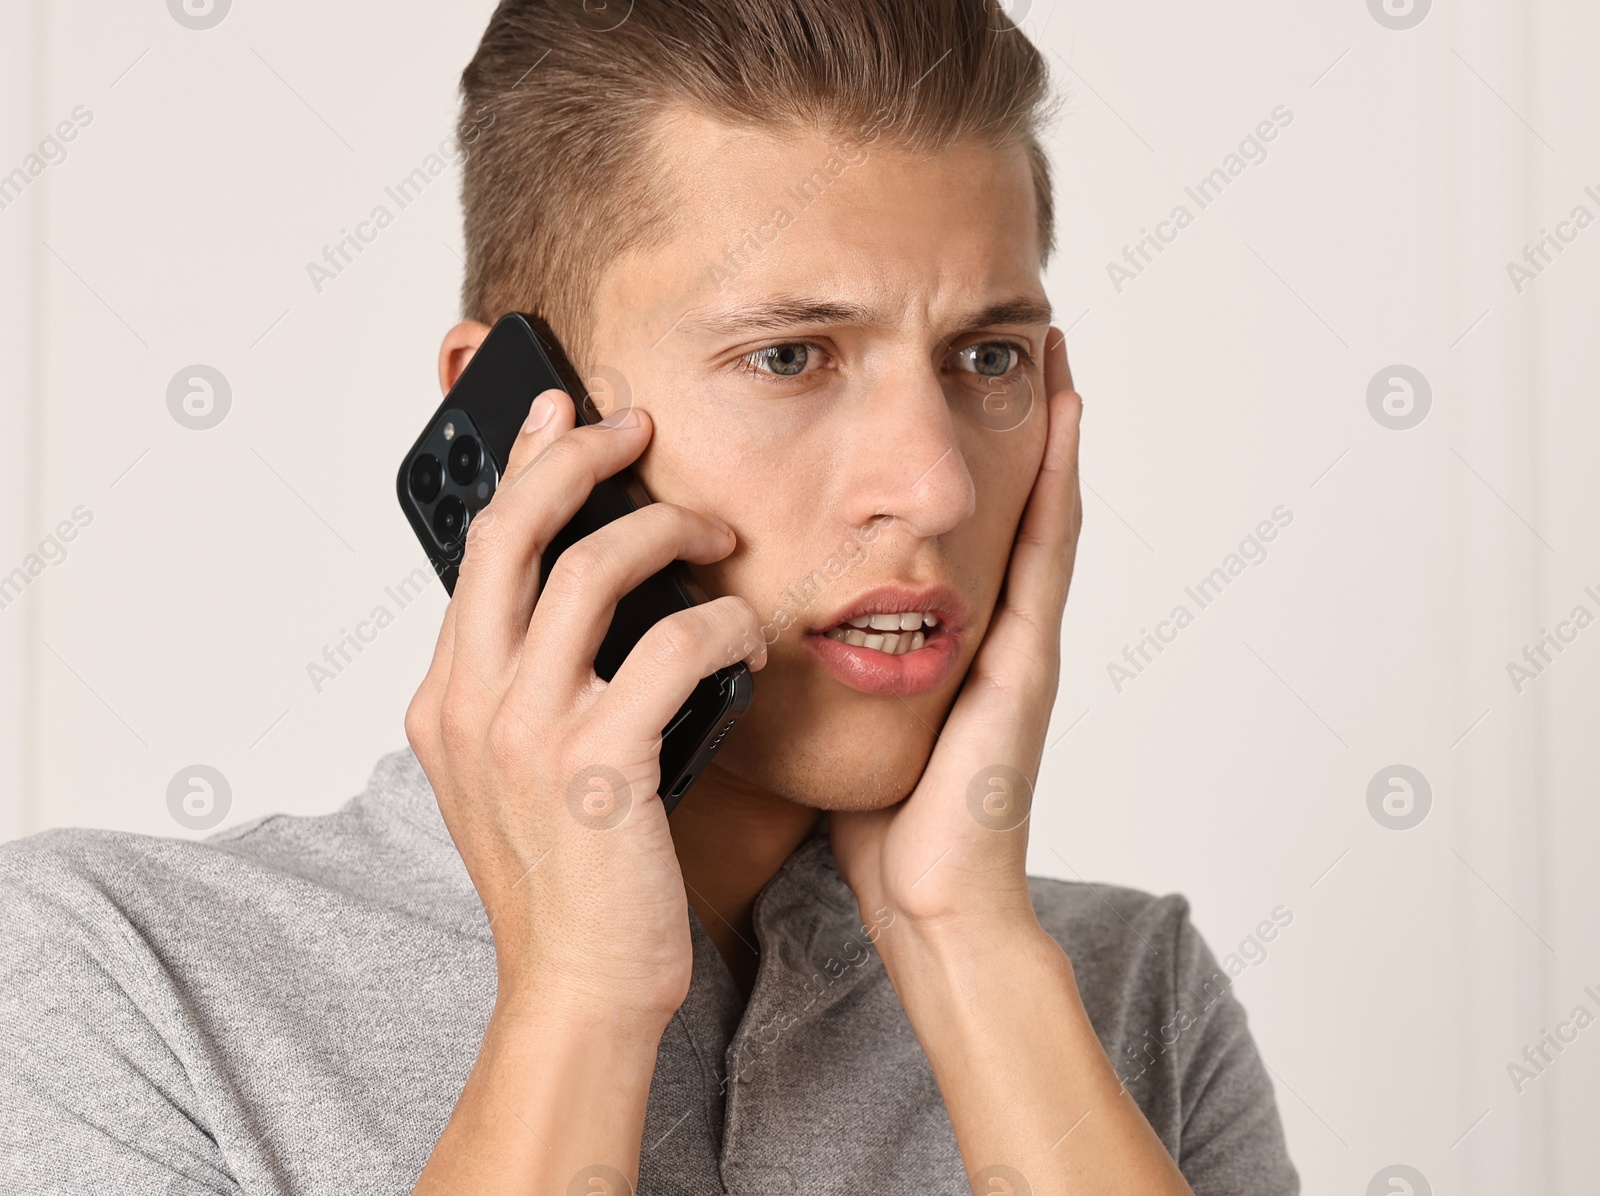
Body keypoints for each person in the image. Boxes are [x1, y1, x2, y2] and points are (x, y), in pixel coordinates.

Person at [0, 2, 1298, 1193]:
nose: (936, 487)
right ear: (523, 426)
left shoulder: (1132, 1002)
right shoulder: (114, 978)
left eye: (989, 356)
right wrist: (578, 996)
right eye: (790, 356)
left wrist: (968, 951)